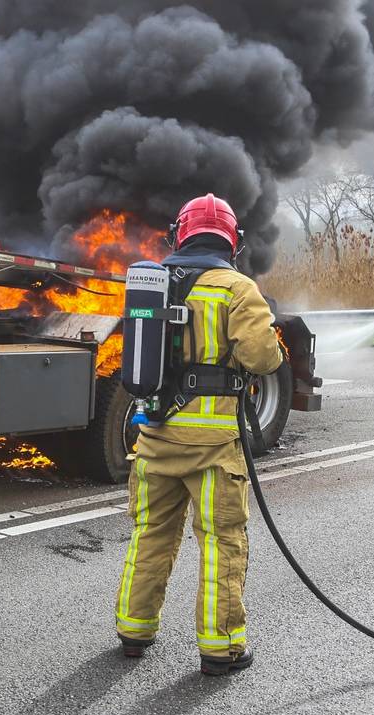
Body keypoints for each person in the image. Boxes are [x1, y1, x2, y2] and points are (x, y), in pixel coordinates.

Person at [114, 194, 283, 676]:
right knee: (221, 542)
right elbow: (263, 360)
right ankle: (221, 648)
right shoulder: (236, 288)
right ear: (234, 241)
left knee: (150, 535)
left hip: (153, 440)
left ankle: (133, 630)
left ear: (178, 235)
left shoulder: (151, 283)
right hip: (213, 450)